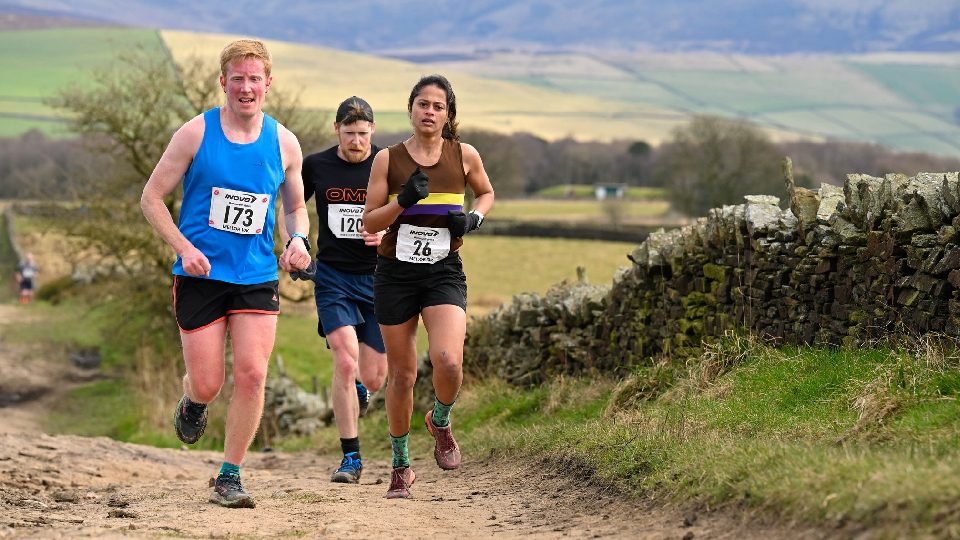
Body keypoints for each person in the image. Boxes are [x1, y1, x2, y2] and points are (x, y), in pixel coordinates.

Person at [140, 39, 311, 509]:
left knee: (254, 375)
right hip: (200, 274)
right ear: (224, 82)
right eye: (238, 78)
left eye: (255, 79)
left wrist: (297, 240)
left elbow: (295, 207)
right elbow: (151, 198)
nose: (246, 87)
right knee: (210, 382)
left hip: (256, 275)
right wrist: (184, 248)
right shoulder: (195, 133)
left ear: (268, 84)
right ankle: (193, 401)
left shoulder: (285, 142)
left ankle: (228, 476)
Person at [363, 74, 494, 499]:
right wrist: (401, 202)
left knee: (448, 361)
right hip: (395, 274)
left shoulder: (465, 155)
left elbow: (486, 194)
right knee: (402, 375)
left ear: (448, 114)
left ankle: (440, 420)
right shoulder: (388, 159)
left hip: (443, 270)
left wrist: (473, 219)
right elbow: (368, 222)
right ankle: (401, 466)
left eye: (438, 106)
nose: (430, 112)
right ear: (410, 108)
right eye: (423, 104)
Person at [288, 96, 387, 484]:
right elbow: (293, 205)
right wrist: (295, 243)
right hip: (332, 279)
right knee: (345, 362)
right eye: (350, 134)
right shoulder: (316, 166)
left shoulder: (388, 164)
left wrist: (387, 232)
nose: (357, 142)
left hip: (379, 279)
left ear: (372, 132)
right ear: (337, 130)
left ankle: (362, 386)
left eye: (363, 134)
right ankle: (351, 458)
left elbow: (410, 214)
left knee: (374, 377)